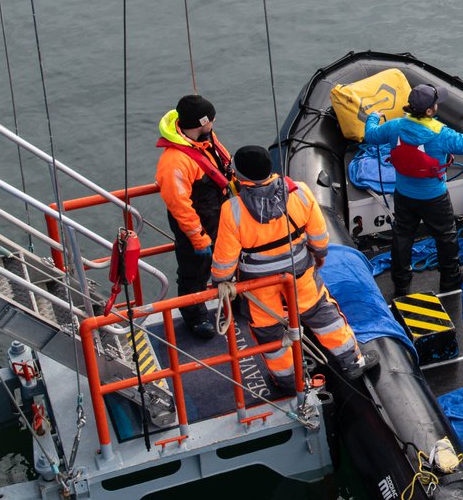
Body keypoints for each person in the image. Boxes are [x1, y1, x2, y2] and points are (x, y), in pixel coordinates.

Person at [211, 146, 364, 391]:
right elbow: (318, 235)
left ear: (239, 176)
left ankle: (287, 381)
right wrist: (319, 254)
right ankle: (352, 361)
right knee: (321, 314)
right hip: (299, 272)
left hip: (258, 284)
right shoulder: (300, 192)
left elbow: (225, 257)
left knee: (268, 330)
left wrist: (221, 280)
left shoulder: (233, 209)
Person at [364, 84, 463, 297]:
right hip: (434, 197)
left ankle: (401, 282)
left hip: (404, 195)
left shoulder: (394, 126)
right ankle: (450, 278)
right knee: (446, 236)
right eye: (436, 103)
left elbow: (370, 135)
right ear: (429, 111)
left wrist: (373, 117)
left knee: (402, 236)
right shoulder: (441, 134)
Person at [155, 94, 233, 339]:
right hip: (196, 224)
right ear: (202, 123)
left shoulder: (204, 139)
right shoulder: (175, 162)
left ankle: (232, 297)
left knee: (229, 260)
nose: (213, 123)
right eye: (210, 120)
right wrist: (199, 239)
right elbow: (180, 206)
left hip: (219, 212)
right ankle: (194, 315)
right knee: (193, 272)